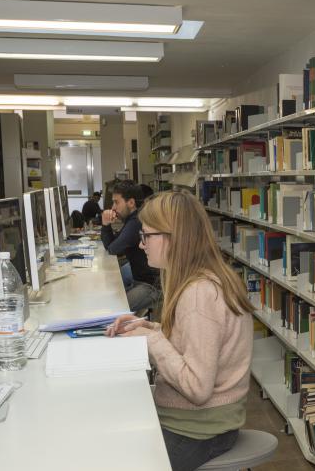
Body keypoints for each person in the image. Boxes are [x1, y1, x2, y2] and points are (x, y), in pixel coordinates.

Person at [106, 191, 253, 471]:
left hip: (198, 431)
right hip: (209, 423)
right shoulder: (209, 279)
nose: (141, 244)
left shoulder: (199, 294)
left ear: (173, 237)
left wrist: (152, 341)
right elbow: (198, 339)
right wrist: (148, 327)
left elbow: (197, 388)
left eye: (147, 236)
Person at [100, 180, 161, 312]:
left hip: (150, 285)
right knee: (109, 290)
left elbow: (113, 249)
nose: (113, 208)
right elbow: (111, 245)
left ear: (131, 203)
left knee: (115, 310)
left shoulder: (135, 222)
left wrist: (105, 225)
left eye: (116, 202)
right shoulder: (131, 220)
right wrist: (106, 225)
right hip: (139, 278)